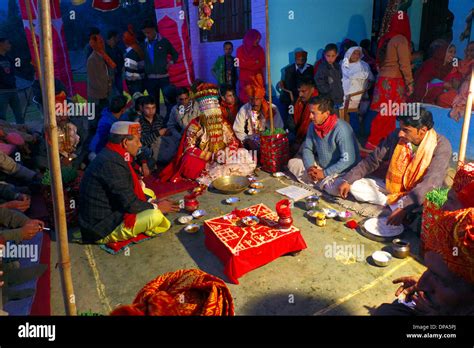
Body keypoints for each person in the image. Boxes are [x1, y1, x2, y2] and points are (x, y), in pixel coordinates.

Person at [338, 108, 452, 226]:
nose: (400, 133)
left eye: (405, 130)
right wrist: (348, 179)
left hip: (420, 193)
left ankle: (399, 207)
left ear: (422, 131)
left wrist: (404, 207)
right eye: (401, 128)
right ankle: (393, 204)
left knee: (426, 212)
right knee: (355, 186)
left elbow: (431, 182)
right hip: (394, 188)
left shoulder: (441, 146)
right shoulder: (396, 136)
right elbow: (372, 160)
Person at [79, 121, 179, 244]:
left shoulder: (113, 153)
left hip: (111, 209)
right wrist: (157, 206)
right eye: (137, 141)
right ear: (125, 142)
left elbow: (126, 190)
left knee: (148, 193)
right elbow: (130, 205)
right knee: (155, 216)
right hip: (101, 228)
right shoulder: (111, 163)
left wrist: (150, 202)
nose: (140, 144)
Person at [159, 83, 255, 184]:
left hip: (223, 154)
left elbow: (233, 141)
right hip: (204, 158)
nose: (213, 114)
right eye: (209, 111)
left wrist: (227, 152)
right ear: (203, 112)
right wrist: (211, 156)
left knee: (243, 153)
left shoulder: (222, 122)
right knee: (188, 161)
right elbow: (188, 147)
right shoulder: (195, 125)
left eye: (215, 109)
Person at [288, 96, 359, 195]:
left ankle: (321, 182)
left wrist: (325, 173)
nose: (310, 117)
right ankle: (322, 182)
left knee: (337, 188)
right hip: (321, 168)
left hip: (342, 172)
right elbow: (308, 149)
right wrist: (310, 168)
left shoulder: (342, 129)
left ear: (326, 113)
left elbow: (348, 160)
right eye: (310, 112)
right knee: (292, 163)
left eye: (314, 113)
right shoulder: (312, 126)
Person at [365, 12, 414, 150]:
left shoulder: (385, 39)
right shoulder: (401, 40)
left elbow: (378, 62)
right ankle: (377, 142)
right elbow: (404, 64)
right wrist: (410, 82)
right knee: (390, 114)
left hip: (382, 80)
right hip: (394, 81)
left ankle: (378, 143)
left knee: (384, 113)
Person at [233, 75, 284, 151]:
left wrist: (270, 139)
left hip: (270, 143)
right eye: (251, 99)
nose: (254, 102)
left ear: (262, 98)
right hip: (250, 144)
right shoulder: (244, 109)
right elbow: (237, 129)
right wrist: (246, 140)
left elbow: (279, 127)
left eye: (257, 99)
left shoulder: (272, 108)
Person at [141, 20, 178, 118]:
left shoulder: (163, 41)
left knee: (168, 100)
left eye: (148, 32)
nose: (147, 35)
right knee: (153, 102)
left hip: (164, 77)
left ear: (154, 30)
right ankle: (156, 122)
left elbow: (175, 54)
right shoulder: (143, 44)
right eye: (145, 33)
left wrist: (170, 63)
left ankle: (169, 121)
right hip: (151, 79)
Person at [410, 41, 459, 105]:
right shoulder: (430, 64)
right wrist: (441, 84)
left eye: (454, 53)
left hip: (440, 101)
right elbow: (420, 86)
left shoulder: (449, 67)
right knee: (436, 81)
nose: (453, 55)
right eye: (450, 52)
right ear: (442, 51)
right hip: (422, 100)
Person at [340, 46, 374, 133]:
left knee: (353, 111)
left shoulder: (363, 65)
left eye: (358, 53)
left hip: (357, 94)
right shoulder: (342, 63)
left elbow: (370, 79)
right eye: (354, 53)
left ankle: (354, 132)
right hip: (342, 93)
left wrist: (363, 90)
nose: (356, 55)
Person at [138, 96, 177, 165]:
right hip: (147, 152)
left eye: (153, 108)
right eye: (147, 108)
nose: (151, 111)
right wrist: (157, 133)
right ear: (142, 108)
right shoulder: (138, 122)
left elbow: (166, 133)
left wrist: (167, 132)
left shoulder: (159, 119)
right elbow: (142, 142)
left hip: (161, 148)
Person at [278, 50, 314, 122]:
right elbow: (289, 86)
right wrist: (299, 97)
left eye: (302, 60)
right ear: (295, 59)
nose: (300, 62)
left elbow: (311, 83)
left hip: (306, 98)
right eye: (298, 60)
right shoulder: (289, 70)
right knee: (291, 117)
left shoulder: (310, 68)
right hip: (292, 98)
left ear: (306, 60)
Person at [87, 34, 115, 122]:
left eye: (102, 42)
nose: (102, 44)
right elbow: (93, 80)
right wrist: (104, 91)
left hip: (104, 94)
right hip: (97, 96)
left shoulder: (102, 56)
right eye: (100, 42)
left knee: (104, 118)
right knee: (96, 120)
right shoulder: (92, 59)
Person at [287, 78, 318, 156]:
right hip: (296, 136)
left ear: (312, 89)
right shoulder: (295, 103)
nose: (300, 95)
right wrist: (295, 140)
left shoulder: (319, 105)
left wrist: (300, 142)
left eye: (303, 91)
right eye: (299, 91)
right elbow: (290, 122)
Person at [236, 29, 265, 104]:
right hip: (245, 80)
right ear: (250, 38)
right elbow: (239, 64)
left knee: (257, 101)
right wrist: (254, 62)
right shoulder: (239, 50)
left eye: (259, 39)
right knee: (246, 101)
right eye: (257, 39)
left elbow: (261, 63)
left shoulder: (260, 50)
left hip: (257, 80)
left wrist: (247, 63)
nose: (258, 41)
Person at [0, 38, 23, 124]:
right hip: (2, 91)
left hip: (13, 89)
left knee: (19, 114)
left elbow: (18, 67)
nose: (9, 45)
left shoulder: (9, 58)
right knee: (2, 115)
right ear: (1, 44)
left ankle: (24, 131)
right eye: (7, 43)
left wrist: (18, 59)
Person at [314, 43, 344, 109]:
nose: (330, 58)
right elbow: (318, 81)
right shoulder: (322, 67)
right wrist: (328, 89)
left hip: (338, 98)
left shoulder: (337, 66)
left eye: (333, 56)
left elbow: (340, 81)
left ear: (337, 55)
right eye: (328, 56)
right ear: (324, 55)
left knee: (337, 118)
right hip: (328, 99)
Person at [123, 25, 145, 96]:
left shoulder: (131, 54)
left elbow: (129, 74)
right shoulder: (139, 49)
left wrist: (127, 83)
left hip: (135, 83)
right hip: (141, 80)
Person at [105, 30, 124, 96]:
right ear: (112, 38)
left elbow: (122, 61)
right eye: (116, 38)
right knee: (111, 94)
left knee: (119, 91)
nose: (118, 39)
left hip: (118, 75)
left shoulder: (118, 49)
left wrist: (121, 68)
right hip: (109, 77)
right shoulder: (104, 50)